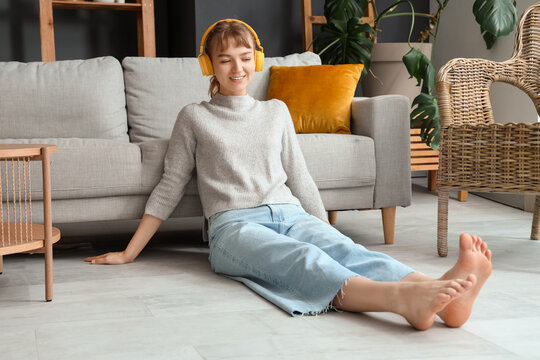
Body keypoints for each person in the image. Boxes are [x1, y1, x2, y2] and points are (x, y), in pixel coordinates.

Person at [85, 19, 493, 330]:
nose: (237, 67)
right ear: (210, 65)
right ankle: (403, 301)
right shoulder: (194, 117)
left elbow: (300, 178)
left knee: (346, 250)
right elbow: (170, 185)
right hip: (234, 228)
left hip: (291, 213)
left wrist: (326, 230)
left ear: (257, 60)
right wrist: (129, 252)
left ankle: (443, 294)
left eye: (245, 57)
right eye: (225, 59)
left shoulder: (275, 111)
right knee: (304, 259)